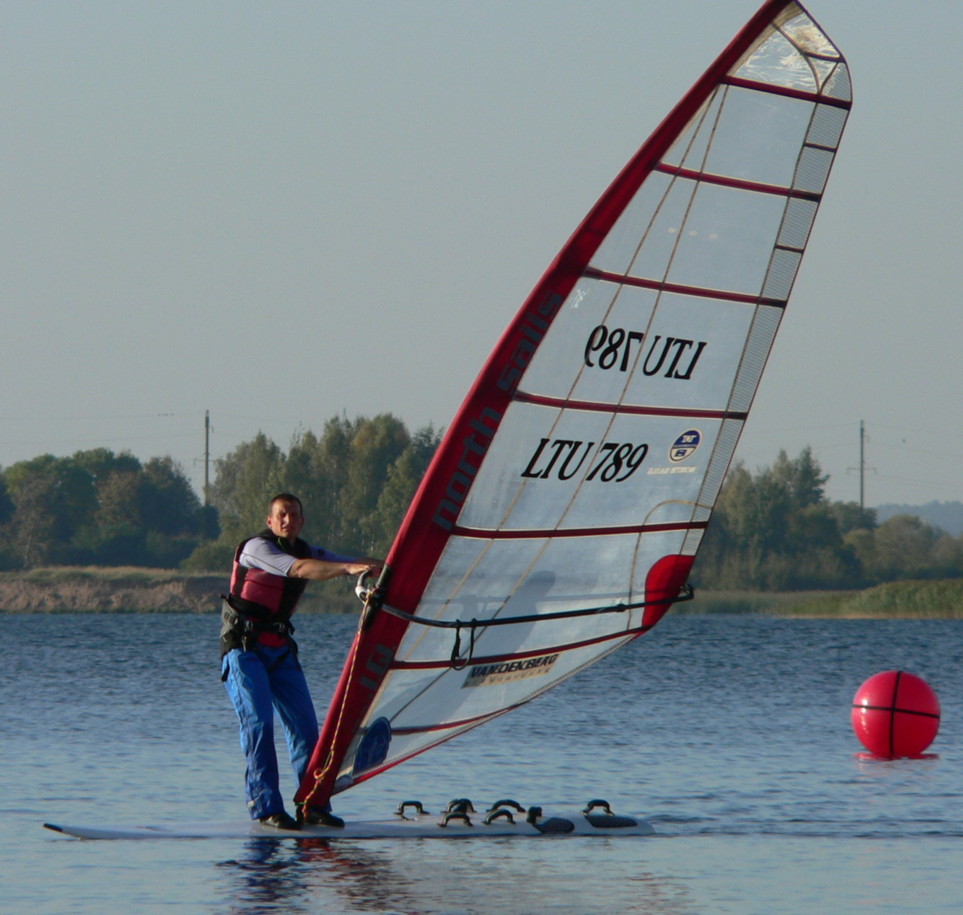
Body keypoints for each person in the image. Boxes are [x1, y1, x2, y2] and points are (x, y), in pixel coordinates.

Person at [220, 492, 382, 831]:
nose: (287, 520)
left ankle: (313, 805)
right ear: (270, 521)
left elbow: (350, 560)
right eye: (281, 515)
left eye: (293, 515)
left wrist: (384, 566)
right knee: (259, 724)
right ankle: (266, 807)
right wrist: (347, 569)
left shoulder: (309, 550)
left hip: (280, 649)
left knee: (307, 730)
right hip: (244, 650)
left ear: (302, 521)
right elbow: (299, 569)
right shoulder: (256, 548)